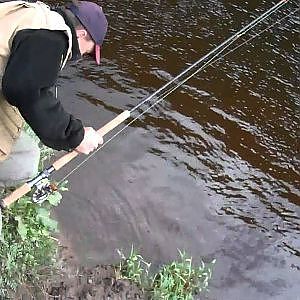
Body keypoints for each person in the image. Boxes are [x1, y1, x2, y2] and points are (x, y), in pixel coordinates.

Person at [0, 0, 108, 188]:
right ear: (81, 34)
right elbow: (27, 91)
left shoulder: (34, 16)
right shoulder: (52, 36)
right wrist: (77, 136)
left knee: (27, 153)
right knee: (24, 165)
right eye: (87, 51)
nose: (80, 56)